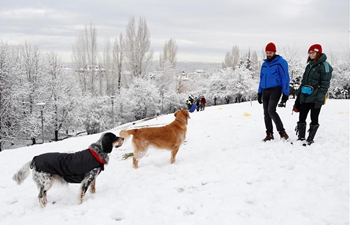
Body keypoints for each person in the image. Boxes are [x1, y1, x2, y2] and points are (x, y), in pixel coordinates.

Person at [293, 44, 332, 145]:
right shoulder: (309, 65)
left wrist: (319, 97)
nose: (310, 54)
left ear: (318, 53)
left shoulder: (325, 66)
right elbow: (303, 81)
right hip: (305, 96)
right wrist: (298, 96)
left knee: (314, 118)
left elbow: (325, 84)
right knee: (302, 117)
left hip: (316, 97)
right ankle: (301, 137)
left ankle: (310, 138)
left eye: (313, 52)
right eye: (309, 53)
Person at [258, 42, 290, 141]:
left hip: (276, 89)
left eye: (270, 52)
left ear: (274, 52)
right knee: (266, 113)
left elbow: (285, 78)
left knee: (271, 110)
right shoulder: (264, 64)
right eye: (267, 52)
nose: (268, 54)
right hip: (265, 90)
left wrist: (286, 93)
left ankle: (282, 132)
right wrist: (259, 92)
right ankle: (269, 134)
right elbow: (261, 78)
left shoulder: (281, 62)